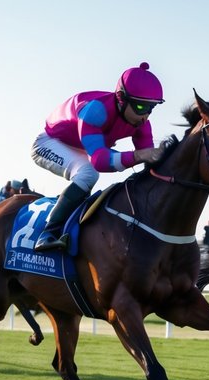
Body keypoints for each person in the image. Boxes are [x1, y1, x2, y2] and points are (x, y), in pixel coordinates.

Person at [30, 62, 170, 251]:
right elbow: (100, 162)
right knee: (88, 173)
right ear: (121, 98)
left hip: (84, 147)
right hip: (51, 142)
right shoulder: (95, 111)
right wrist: (138, 156)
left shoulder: (142, 123)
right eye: (139, 106)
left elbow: (149, 164)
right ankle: (47, 233)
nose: (145, 116)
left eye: (150, 108)